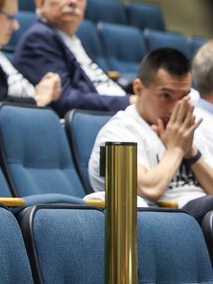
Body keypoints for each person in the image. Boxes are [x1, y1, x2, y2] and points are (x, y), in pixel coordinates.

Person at [89, 48, 213, 221]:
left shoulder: (185, 128)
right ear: (138, 89)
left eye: (183, 97)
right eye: (165, 96)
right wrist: (176, 149)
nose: (174, 108)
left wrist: (190, 151)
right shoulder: (115, 134)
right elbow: (148, 190)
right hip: (165, 220)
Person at [13, 0, 130, 115]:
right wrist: (129, 102)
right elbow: (65, 101)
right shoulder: (39, 38)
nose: (73, 1)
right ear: (40, 2)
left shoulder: (73, 40)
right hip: (100, 123)